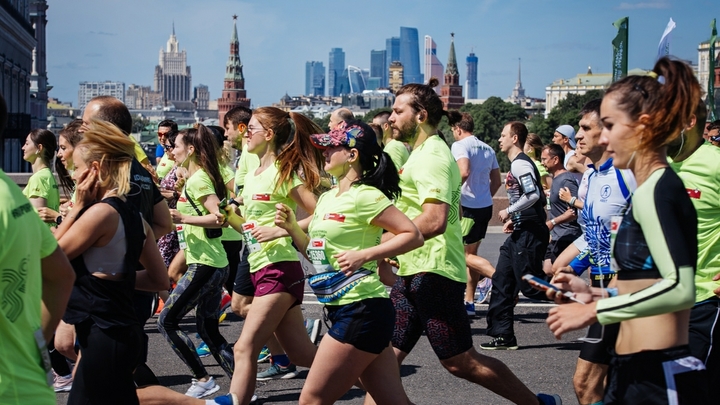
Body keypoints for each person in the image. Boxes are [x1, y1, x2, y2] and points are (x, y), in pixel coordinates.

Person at [368, 78, 561, 405]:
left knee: (460, 361)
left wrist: (377, 246)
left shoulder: (433, 156)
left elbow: (434, 219)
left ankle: (538, 404)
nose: (391, 118)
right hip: (413, 270)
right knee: (382, 361)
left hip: (435, 272)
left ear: (420, 116)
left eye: (399, 111)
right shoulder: (417, 154)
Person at [546, 57, 710, 404]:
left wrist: (594, 312)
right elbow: (647, 281)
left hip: (657, 375)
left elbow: (680, 288)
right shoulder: (649, 188)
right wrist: (593, 294)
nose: (602, 138)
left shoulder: (657, 190)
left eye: (609, 125)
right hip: (635, 370)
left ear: (642, 126)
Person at [274, 119, 424, 404]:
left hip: (362, 309)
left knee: (311, 400)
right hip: (345, 309)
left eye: (333, 147)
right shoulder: (328, 198)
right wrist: (293, 228)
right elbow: (319, 258)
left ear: (353, 155)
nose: (325, 153)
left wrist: (366, 255)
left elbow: (412, 235)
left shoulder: (366, 196)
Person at [55, 119, 169, 405]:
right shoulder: (134, 216)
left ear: (94, 170)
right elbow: (158, 280)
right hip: (123, 332)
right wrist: (115, 276)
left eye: (77, 169)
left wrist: (76, 207)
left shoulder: (100, 214)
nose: (74, 175)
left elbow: (49, 257)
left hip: (102, 335)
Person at [222, 107, 324, 404]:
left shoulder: (283, 171)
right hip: (259, 266)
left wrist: (283, 231)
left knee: (244, 347)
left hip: (279, 268)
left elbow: (320, 214)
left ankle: (236, 400)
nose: (244, 134)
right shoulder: (253, 173)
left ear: (268, 135)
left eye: (249, 129)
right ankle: (367, 377)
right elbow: (251, 230)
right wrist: (229, 216)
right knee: (302, 354)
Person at [551, 99, 635, 405]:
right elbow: (594, 233)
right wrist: (572, 266)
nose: (579, 136)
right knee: (613, 384)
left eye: (586, 128)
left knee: (586, 383)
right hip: (601, 283)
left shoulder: (628, 174)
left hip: (625, 288)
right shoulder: (591, 175)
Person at [0, 93, 75, 405]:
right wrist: (35, 344)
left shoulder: (38, 180)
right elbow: (61, 276)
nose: (22, 148)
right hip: (27, 381)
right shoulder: (10, 193)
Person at [158, 125, 235, 398]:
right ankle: (242, 386)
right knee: (207, 328)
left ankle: (202, 379)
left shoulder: (199, 180)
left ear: (190, 150)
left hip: (206, 264)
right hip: (211, 262)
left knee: (166, 321)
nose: (171, 151)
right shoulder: (193, 178)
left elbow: (219, 217)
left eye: (176, 147)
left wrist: (183, 218)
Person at [669, 101, 720, 396]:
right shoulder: (654, 164)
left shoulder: (714, 163)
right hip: (659, 302)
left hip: (703, 302)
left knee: (692, 391)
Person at [483, 121, 549, 350]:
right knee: (502, 281)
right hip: (521, 231)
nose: (499, 139)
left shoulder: (521, 165)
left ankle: (579, 301)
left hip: (530, 234)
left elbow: (532, 194)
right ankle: (503, 336)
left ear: (514, 138)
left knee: (530, 286)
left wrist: (509, 210)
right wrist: (515, 219)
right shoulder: (517, 165)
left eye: (503, 135)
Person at [447, 110, 501, 312]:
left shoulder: (459, 145)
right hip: (484, 205)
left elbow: (463, 171)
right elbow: (497, 181)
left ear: (458, 129)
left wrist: (453, 196)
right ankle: (469, 302)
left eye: (453, 129)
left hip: (467, 207)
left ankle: (499, 280)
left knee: (462, 256)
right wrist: (484, 196)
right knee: (471, 254)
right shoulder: (488, 148)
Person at [540, 144, 582, 277]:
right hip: (557, 234)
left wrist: (553, 222)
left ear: (556, 159)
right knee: (547, 269)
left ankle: (579, 293)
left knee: (558, 270)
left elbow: (574, 212)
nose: (542, 163)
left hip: (568, 233)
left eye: (544, 159)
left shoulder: (566, 180)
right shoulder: (555, 179)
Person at [21, 128, 60, 226]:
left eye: (26, 143)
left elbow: (36, 218)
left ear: (39, 148)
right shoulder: (47, 175)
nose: (23, 148)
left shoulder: (39, 178)